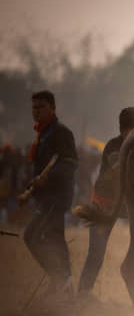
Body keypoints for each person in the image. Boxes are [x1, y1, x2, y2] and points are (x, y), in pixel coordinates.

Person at [76, 107, 134, 298]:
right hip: (105, 203)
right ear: (122, 130)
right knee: (96, 252)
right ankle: (84, 293)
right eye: (133, 130)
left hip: (131, 204)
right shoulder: (114, 147)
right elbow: (119, 169)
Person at [21, 90, 78, 297]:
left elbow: (71, 164)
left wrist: (49, 177)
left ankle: (60, 279)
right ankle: (64, 285)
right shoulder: (43, 134)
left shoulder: (61, 132)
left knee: (31, 235)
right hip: (45, 196)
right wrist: (32, 185)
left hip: (56, 196)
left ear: (52, 109)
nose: (36, 111)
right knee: (55, 238)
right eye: (34, 107)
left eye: (41, 107)